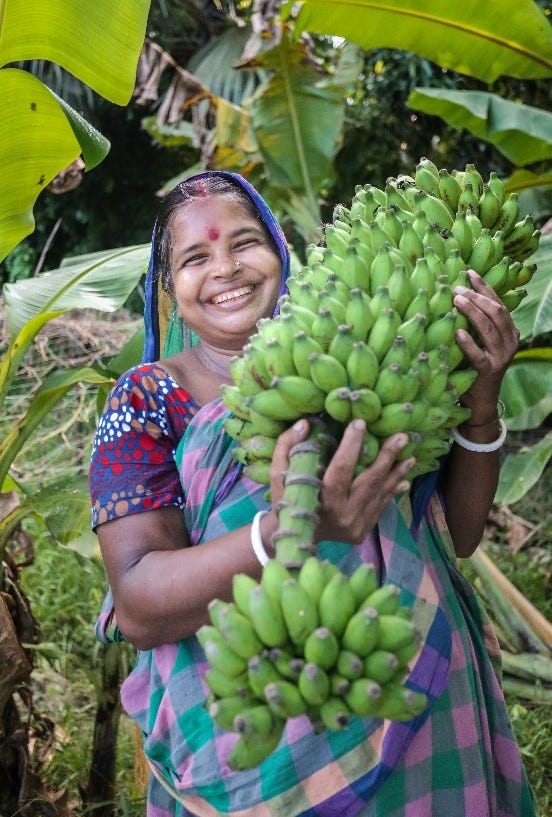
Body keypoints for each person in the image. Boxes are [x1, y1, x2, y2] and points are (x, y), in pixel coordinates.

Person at [89, 170, 535, 816]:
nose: (225, 268)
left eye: (244, 243)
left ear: (278, 248)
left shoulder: (380, 346)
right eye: (194, 258)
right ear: (169, 289)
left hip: (416, 697)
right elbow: (137, 602)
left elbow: (455, 536)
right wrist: (279, 536)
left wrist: (483, 401)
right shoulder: (145, 403)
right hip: (256, 732)